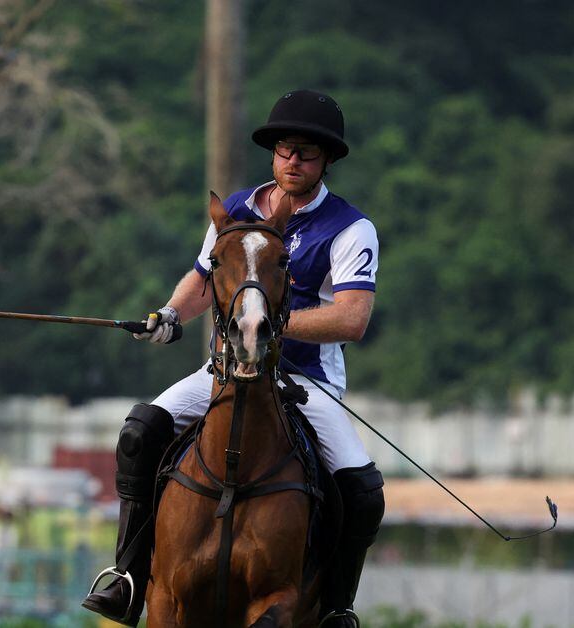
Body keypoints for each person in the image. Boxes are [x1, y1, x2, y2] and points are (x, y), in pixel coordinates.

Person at [83, 89, 385, 628]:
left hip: (303, 379)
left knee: (362, 490)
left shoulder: (349, 227)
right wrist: (170, 315)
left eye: (308, 154)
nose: (294, 161)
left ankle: (336, 608)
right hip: (223, 370)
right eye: (286, 150)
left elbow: (351, 319)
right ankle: (127, 577)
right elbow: (204, 282)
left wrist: (266, 325)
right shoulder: (239, 210)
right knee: (139, 431)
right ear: (273, 153)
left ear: (327, 162)